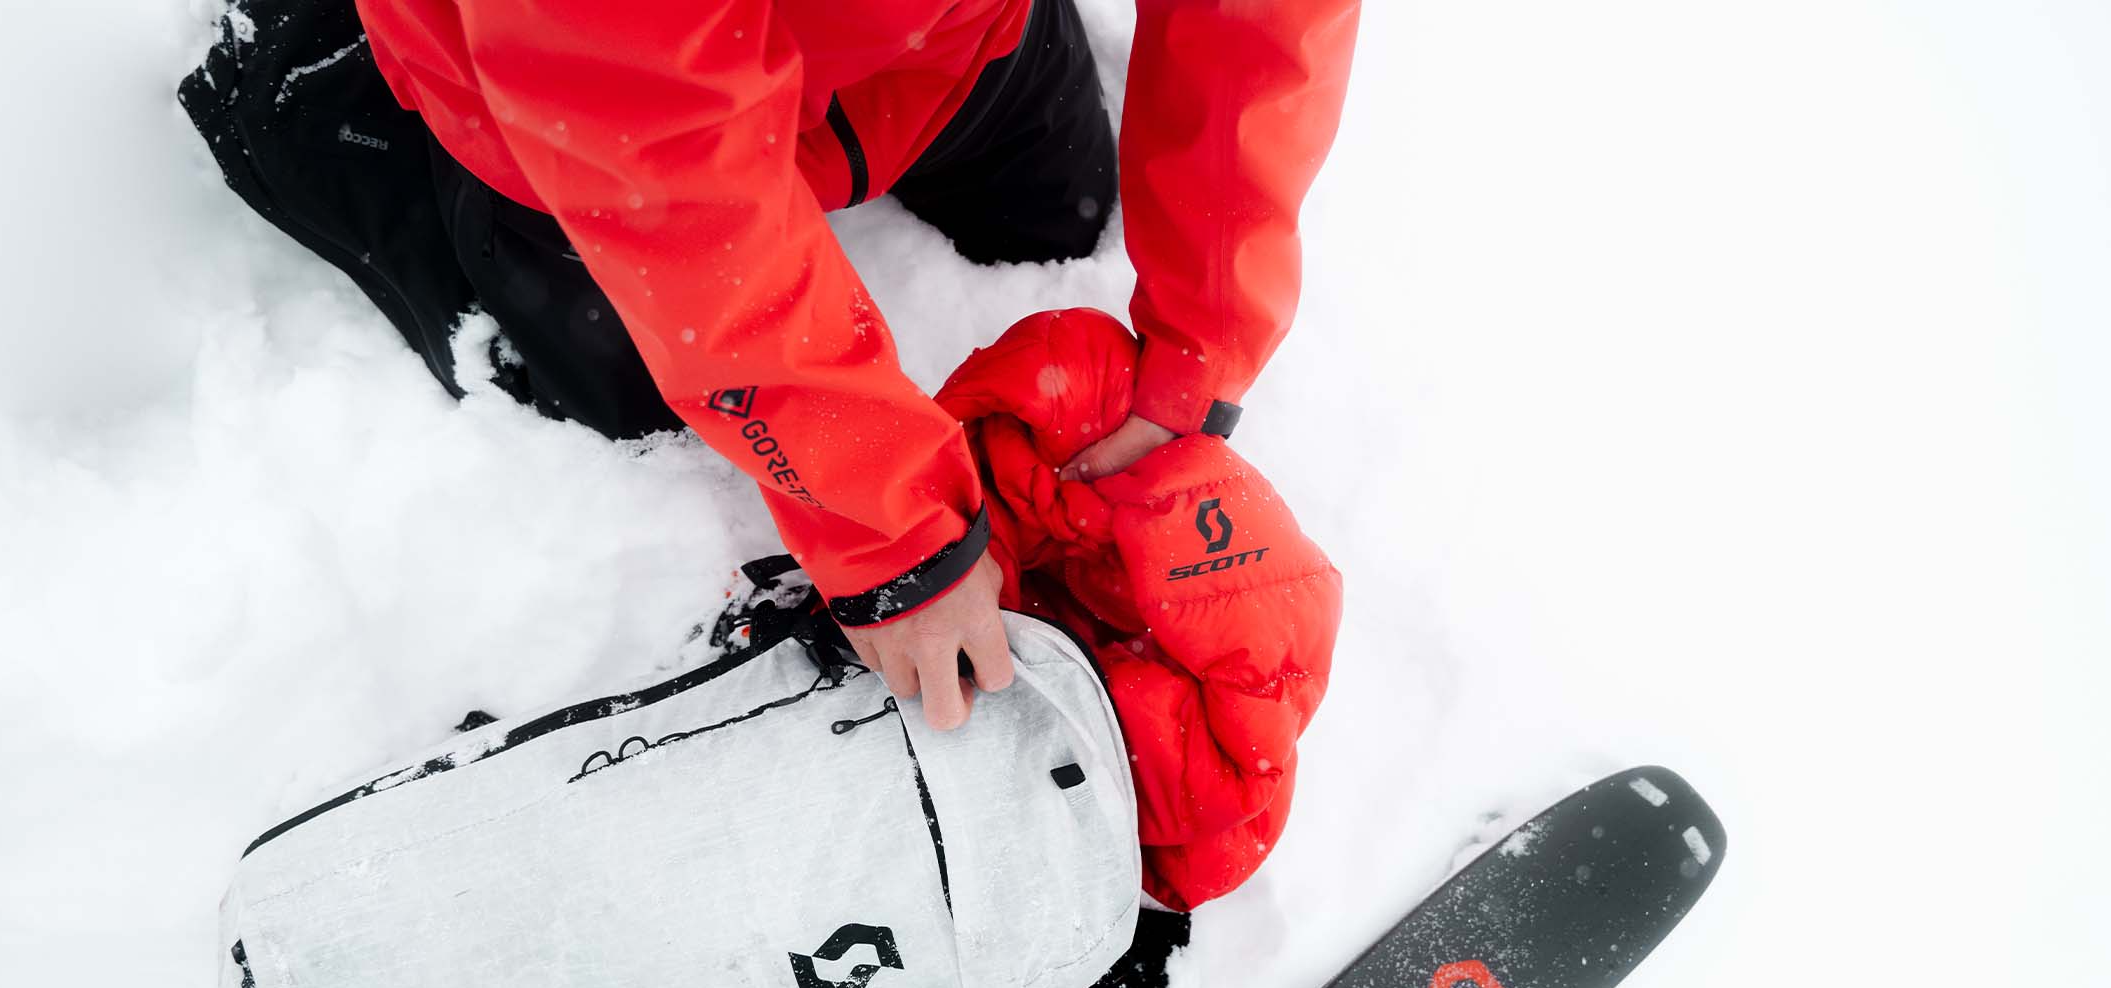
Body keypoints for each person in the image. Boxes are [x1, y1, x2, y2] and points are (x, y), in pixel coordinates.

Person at [307, 0, 1359, 729]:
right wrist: (892, 537)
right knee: (627, 414)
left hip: (944, 47)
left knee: (1057, 221)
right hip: (576, 122)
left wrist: (1206, 330)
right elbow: (663, 174)